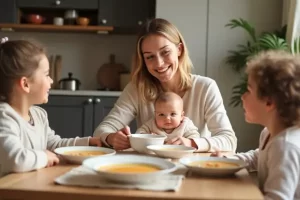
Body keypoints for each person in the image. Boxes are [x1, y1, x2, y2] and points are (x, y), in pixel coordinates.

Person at [94, 18, 237, 152]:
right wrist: (112, 138)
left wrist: (191, 143)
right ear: (143, 60)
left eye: (165, 52)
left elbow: (229, 140)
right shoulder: (136, 89)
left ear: (179, 49)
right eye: (150, 57)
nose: (159, 64)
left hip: (192, 169)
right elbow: (102, 130)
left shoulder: (205, 88)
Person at [0, 38, 102, 177]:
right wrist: (44, 157)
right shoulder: (4, 117)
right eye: (47, 75)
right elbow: (15, 159)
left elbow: (53, 145)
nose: (51, 81)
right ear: (25, 84)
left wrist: (87, 143)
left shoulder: (38, 115)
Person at [212, 50, 300, 199]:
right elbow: (258, 157)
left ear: (269, 102)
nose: (243, 96)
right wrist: (229, 160)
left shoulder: (285, 146)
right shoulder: (269, 133)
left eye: (248, 90)